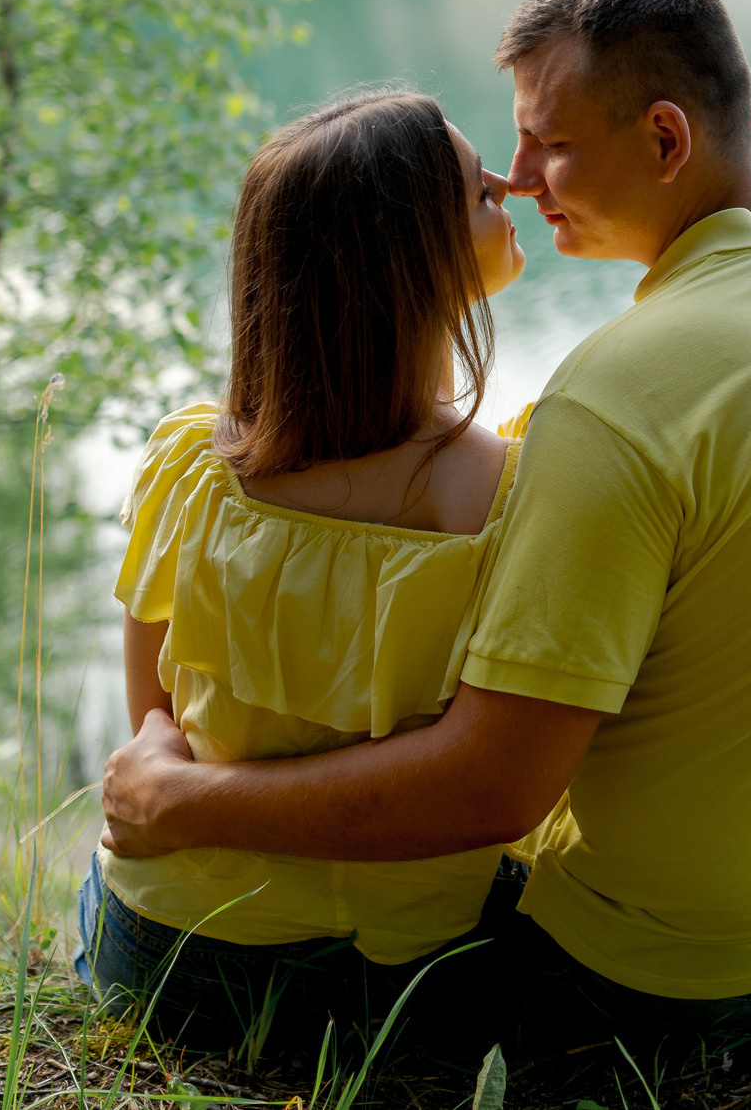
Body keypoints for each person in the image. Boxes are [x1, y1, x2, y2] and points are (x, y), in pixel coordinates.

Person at [102, 0, 751, 1042]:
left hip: (724, 967)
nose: (523, 179)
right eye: (512, 148)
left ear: (666, 138)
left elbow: (492, 788)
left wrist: (182, 797)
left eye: (553, 146)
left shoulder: (619, 395)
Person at [75, 89, 544, 1062]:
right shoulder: (501, 492)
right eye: (477, 187)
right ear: (411, 263)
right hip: (402, 973)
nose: (512, 183)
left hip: (170, 948)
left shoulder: (190, 465)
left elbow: (152, 710)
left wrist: (171, 763)